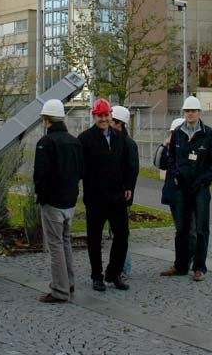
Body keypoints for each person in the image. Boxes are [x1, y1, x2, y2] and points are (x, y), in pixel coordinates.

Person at [79, 98, 137, 292]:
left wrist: (128, 186)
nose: (103, 119)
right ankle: (97, 276)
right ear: (94, 116)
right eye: (100, 116)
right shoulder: (85, 139)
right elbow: (81, 167)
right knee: (94, 238)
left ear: (111, 115)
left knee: (122, 235)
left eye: (106, 115)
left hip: (117, 196)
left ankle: (114, 273)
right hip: (95, 198)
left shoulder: (120, 138)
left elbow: (127, 164)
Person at [162, 95, 212, 282]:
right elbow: (171, 158)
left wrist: (203, 181)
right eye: (187, 111)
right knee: (182, 229)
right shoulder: (178, 133)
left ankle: (199, 267)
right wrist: (176, 175)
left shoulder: (208, 134)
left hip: (200, 189)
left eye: (193, 111)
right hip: (181, 187)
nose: (190, 114)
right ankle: (180, 265)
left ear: (199, 112)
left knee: (201, 229)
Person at [33, 98, 83, 303]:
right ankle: (68, 282)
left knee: (55, 245)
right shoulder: (75, 141)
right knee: (65, 241)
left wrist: (41, 196)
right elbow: (81, 170)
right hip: (70, 200)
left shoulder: (45, 143)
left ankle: (60, 290)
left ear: (46, 120)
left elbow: (41, 174)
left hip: (52, 201)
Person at [110, 105, 139, 278]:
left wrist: (127, 192)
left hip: (121, 196)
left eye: (111, 121)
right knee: (117, 233)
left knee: (120, 233)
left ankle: (123, 267)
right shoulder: (115, 141)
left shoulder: (127, 144)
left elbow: (132, 170)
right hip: (113, 194)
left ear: (119, 123)